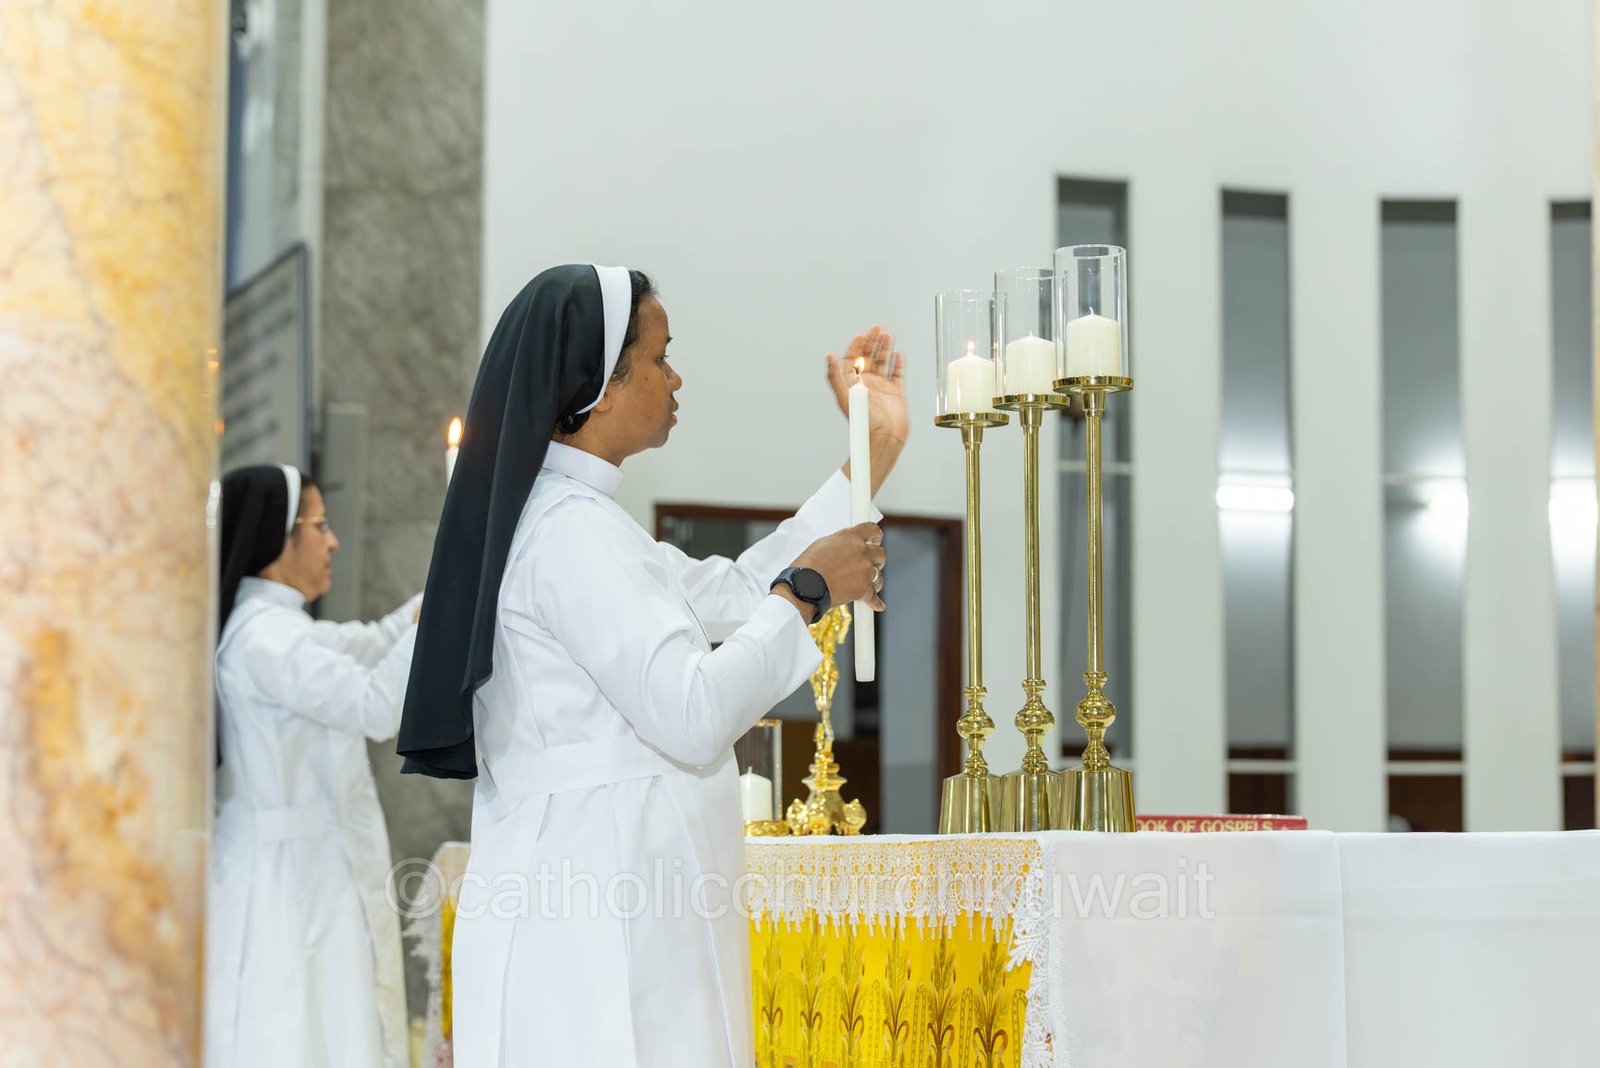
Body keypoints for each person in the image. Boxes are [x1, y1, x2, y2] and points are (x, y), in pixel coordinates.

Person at [396, 264, 906, 1067]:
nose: (676, 377)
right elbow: (692, 714)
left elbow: (737, 590)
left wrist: (870, 452)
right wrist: (807, 593)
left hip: (614, 899)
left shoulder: (583, 521)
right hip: (595, 919)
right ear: (599, 385)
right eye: (660, 357)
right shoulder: (568, 532)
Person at [206, 464, 421, 1068]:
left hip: (306, 867)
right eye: (320, 525)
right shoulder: (268, 640)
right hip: (287, 883)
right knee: (298, 1031)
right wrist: (442, 614)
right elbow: (375, 707)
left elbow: (372, 642)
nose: (334, 541)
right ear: (278, 537)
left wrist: (439, 592)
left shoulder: (277, 626)